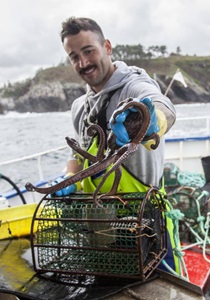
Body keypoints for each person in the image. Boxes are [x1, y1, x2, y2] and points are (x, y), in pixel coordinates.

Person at [53, 16, 178, 273]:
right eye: (74, 56)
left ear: (107, 47)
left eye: (88, 51)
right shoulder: (79, 107)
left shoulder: (133, 85)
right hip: (100, 226)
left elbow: (164, 107)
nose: (83, 62)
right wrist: (69, 177)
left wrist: (150, 123)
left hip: (145, 222)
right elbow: (76, 153)